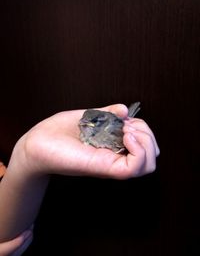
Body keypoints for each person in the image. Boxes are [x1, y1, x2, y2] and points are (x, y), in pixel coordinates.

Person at [0, 104, 160, 255]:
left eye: (91, 122)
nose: (82, 124)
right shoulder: (85, 127)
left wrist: (27, 153)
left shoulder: (111, 133)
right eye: (84, 121)